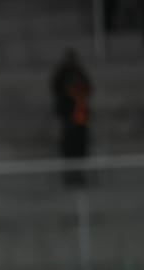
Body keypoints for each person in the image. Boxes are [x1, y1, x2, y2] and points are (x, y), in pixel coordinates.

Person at [50, 49, 93, 187]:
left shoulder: (79, 78)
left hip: (80, 124)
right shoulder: (62, 80)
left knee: (80, 151)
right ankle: (69, 177)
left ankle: (79, 176)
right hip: (68, 125)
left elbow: (89, 88)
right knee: (68, 152)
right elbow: (55, 89)